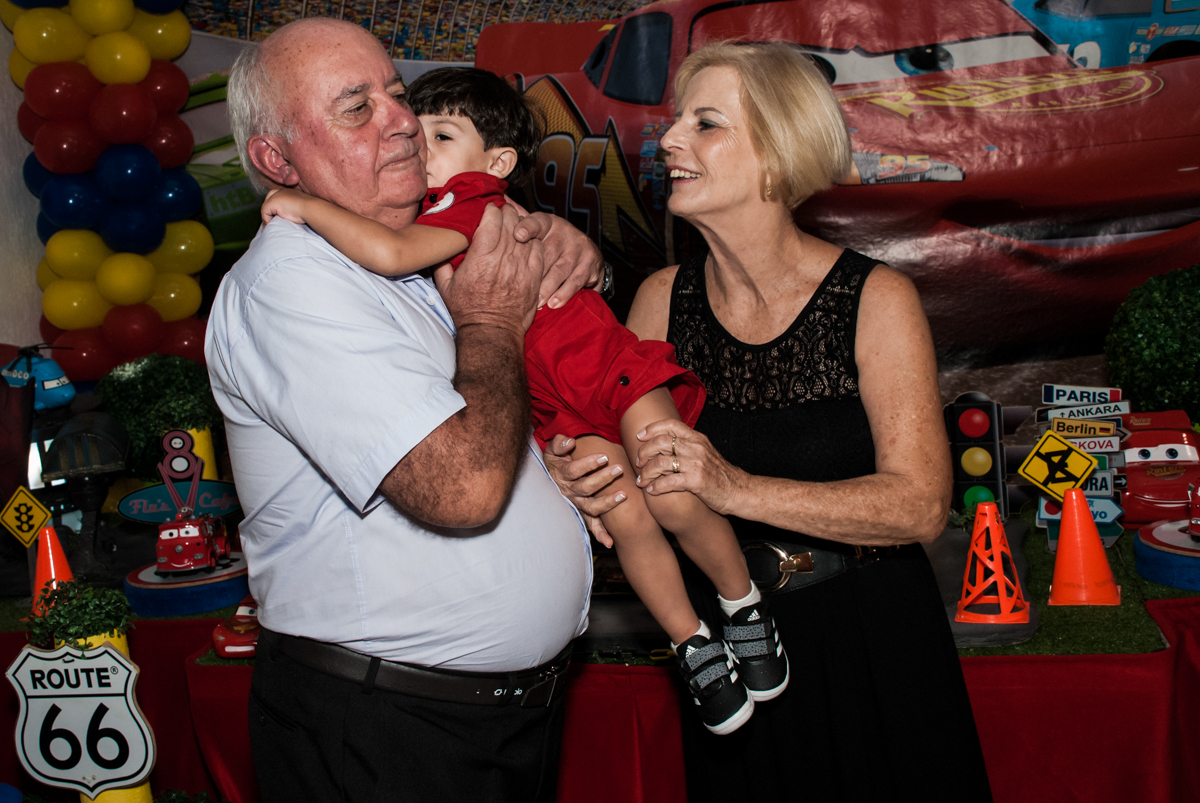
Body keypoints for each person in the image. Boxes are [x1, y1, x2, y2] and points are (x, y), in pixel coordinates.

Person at [260, 65, 790, 735]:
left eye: (441, 133)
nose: (421, 146)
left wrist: (308, 207)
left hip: (603, 369)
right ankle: (691, 641)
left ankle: (741, 603)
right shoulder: (442, 214)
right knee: (626, 519)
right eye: (416, 133)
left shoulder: (469, 202)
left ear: (498, 161)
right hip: (555, 403)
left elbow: (392, 253)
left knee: (674, 490)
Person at [560, 41, 993, 801]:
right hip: (735, 657)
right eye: (675, 122)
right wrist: (586, 476)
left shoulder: (875, 299)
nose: (668, 141)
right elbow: (637, 480)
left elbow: (921, 506)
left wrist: (735, 486)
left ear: (777, 153)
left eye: (706, 123)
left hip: (873, 639)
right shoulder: (661, 301)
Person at [206, 18, 609, 802]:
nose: (401, 119)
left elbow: (489, 408)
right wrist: (494, 320)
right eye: (356, 108)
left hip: (489, 723)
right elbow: (459, 487)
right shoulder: (291, 281)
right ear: (276, 160)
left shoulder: (416, 253)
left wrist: (561, 252)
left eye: (396, 93)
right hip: (384, 732)